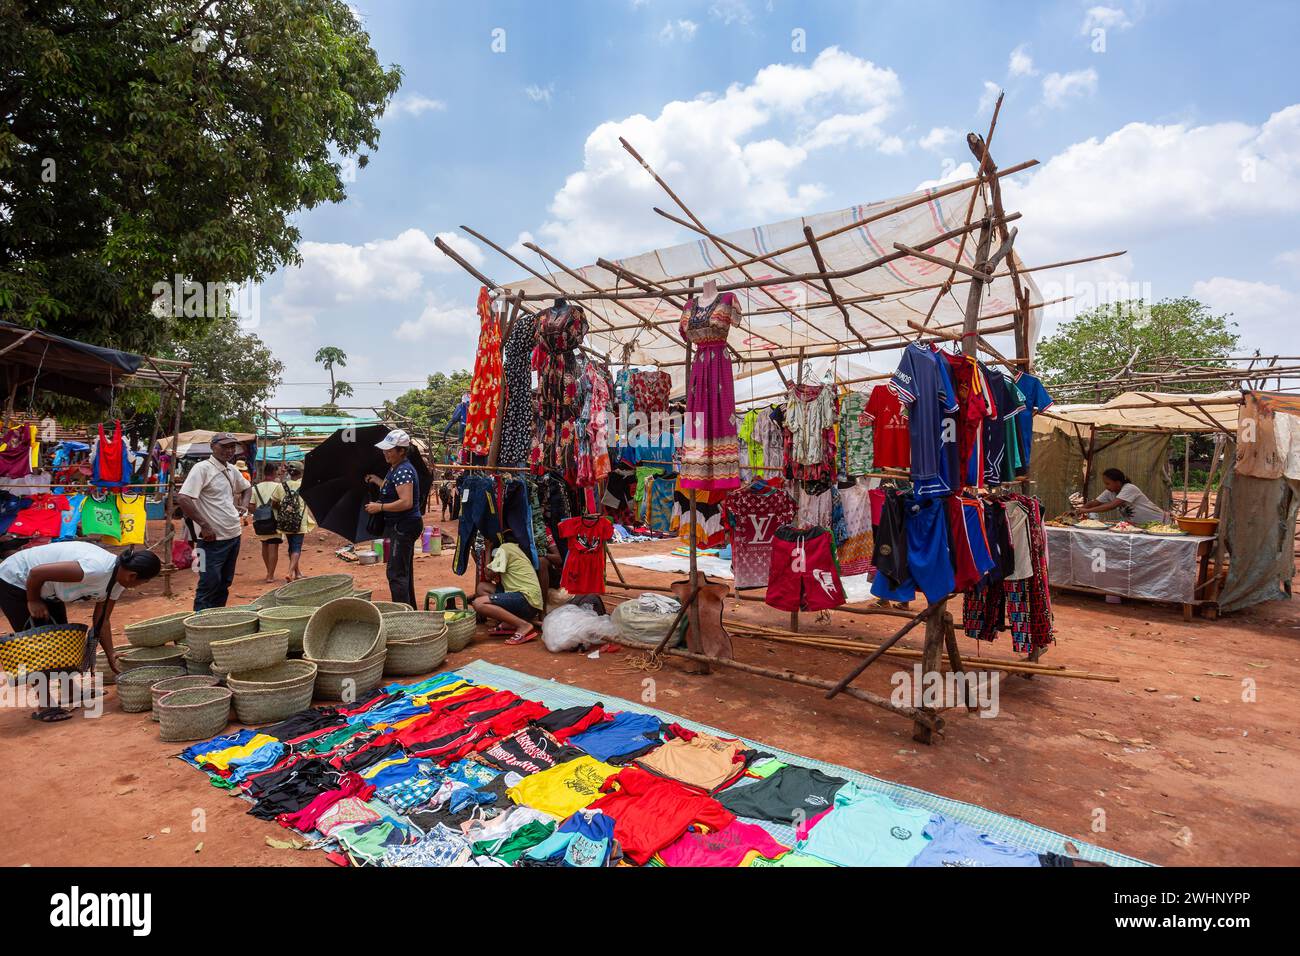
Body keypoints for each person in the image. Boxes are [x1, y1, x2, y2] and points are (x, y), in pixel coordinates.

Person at [0, 541, 161, 721]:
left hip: (48, 589)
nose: (140, 586)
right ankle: (45, 705)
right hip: (16, 580)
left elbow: (102, 620)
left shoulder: (118, 580)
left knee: (60, 639)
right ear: (133, 576)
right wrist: (33, 601)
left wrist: (111, 653)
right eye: (143, 582)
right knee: (35, 645)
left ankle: (70, 691)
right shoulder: (95, 568)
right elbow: (37, 573)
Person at [178, 432, 251, 611]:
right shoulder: (202, 468)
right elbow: (183, 498)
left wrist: (243, 505)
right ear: (213, 446)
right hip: (209, 540)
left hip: (233, 535)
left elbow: (247, 488)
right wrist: (205, 525)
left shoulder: (232, 469)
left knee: (224, 583)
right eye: (224, 446)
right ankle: (200, 624)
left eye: (232, 447)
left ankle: (217, 619)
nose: (229, 450)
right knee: (208, 584)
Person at [364, 429, 423, 608]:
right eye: (385, 449)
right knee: (403, 571)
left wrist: (379, 507)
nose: (385, 453)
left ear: (401, 451)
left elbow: (406, 502)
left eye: (390, 450)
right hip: (400, 525)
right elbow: (393, 488)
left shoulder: (403, 470)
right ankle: (409, 610)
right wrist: (377, 480)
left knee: (396, 574)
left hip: (404, 526)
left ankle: (402, 614)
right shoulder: (395, 469)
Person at [473, 532, 543, 645]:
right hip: (530, 601)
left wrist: (488, 550)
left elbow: (488, 574)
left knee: (478, 603)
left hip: (525, 598)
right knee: (482, 588)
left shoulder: (505, 548)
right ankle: (511, 623)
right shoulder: (516, 549)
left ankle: (523, 625)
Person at [271, 460, 315, 582]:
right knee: (296, 548)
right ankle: (290, 572)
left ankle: (297, 573)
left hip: (285, 521)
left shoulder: (281, 486)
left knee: (291, 547)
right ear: (301, 473)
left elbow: (273, 503)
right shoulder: (305, 486)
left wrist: (284, 510)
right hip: (299, 521)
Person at [1076, 468, 1167, 524]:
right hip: (1141, 526)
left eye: (1108, 483)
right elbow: (1093, 503)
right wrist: (1076, 512)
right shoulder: (1110, 491)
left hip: (1159, 522)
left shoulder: (1129, 488)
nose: (1106, 487)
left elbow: (1111, 505)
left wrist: (1086, 510)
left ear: (1118, 483)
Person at [252, 461, 284, 583]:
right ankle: (270, 575)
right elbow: (280, 503)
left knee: (264, 544)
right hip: (274, 520)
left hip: (260, 522)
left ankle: (268, 571)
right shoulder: (278, 486)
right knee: (273, 546)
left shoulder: (255, 488)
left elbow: (251, 506)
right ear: (274, 472)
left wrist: (259, 514)